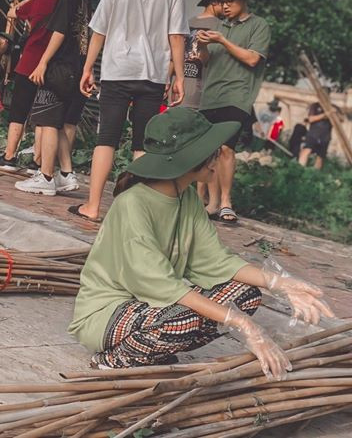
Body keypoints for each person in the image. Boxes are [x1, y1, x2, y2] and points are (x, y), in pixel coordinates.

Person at [69, 107, 333, 374]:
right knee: (184, 320)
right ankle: (115, 358)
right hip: (107, 314)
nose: (217, 161)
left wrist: (281, 283)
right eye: (213, 154)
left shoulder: (188, 197)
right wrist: (243, 325)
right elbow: (163, 286)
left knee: (245, 294)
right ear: (191, 158)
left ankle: (152, 348)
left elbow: (216, 261)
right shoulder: (133, 204)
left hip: (152, 304)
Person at [72, 0, 188, 221]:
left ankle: (93, 207)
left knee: (106, 138)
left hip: (117, 69)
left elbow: (99, 28)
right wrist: (179, 78)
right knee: (142, 143)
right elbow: (177, 36)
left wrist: (87, 67)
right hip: (153, 73)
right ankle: (135, 214)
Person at [16, 0, 91, 196]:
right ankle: (67, 175)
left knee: (47, 120)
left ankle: (46, 177)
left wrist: (43, 61)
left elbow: (59, 30)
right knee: (57, 122)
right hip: (75, 64)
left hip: (60, 64)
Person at [197, 0, 271, 223]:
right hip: (210, 95)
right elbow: (207, 61)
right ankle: (213, 202)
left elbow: (252, 59)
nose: (225, 6)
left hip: (238, 95)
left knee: (227, 148)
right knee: (210, 152)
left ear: (243, 1)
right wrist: (204, 47)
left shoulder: (258, 25)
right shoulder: (216, 26)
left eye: (230, 1)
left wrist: (222, 41)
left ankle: (227, 202)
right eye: (221, 2)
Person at [0, 0, 60, 170]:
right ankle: (37, 161)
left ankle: (10, 155)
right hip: (53, 66)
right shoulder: (67, 9)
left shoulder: (38, 3)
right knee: (42, 114)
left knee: (19, 110)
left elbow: (12, 13)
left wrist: (27, 0)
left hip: (30, 63)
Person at [184, 0, 224, 110]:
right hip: (201, 94)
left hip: (177, 89)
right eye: (224, 2)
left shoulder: (187, 22)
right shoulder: (222, 27)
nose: (226, 7)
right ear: (214, 2)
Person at [298, 101, 332, 169]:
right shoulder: (315, 105)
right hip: (313, 134)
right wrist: (324, 115)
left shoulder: (332, 107)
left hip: (325, 137)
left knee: (320, 156)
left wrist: (333, 113)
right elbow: (311, 119)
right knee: (306, 150)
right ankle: (299, 169)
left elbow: (341, 118)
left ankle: (315, 175)